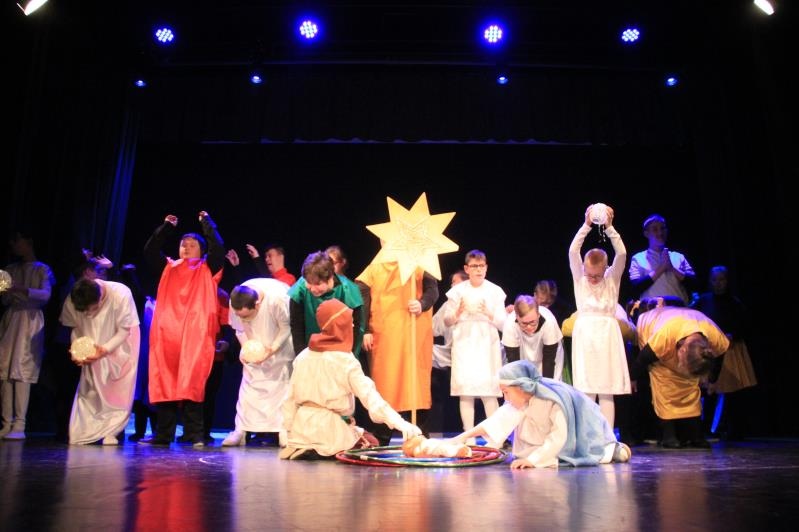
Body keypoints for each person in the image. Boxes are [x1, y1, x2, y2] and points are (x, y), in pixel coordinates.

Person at [280, 298, 422, 459]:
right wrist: (401, 424)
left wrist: (290, 433)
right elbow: (370, 398)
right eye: (349, 322)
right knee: (371, 442)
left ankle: (308, 448)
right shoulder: (345, 360)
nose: (353, 325)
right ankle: (321, 450)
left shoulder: (303, 356)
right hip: (330, 430)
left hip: (301, 429)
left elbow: (289, 399)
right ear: (339, 325)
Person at [140, 211, 225, 447]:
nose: (186, 248)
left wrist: (207, 223)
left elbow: (218, 248)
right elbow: (149, 251)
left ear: (201, 250)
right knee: (165, 380)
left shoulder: (207, 268)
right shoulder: (169, 267)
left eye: (191, 244)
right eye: (183, 244)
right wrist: (166, 227)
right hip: (167, 334)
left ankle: (194, 435)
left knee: (192, 381)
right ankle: (163, 435)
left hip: (195, 335)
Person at [449, 360, 631, 469]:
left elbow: (558, 437)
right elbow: (494, 423)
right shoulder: (519, 401)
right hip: (545, 445)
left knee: (592, 451)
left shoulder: (553, 400)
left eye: (506, 392)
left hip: (577, 435)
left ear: (522, 388)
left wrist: (533, 461)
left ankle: (612, 449)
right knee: (526, 453)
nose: (505, 397)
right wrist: (460, 438)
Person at [356, 258, 438, 445]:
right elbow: (362, 296)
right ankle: (382, 434)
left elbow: (432, 290)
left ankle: (419, 433)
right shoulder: (375, 267)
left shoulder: (419, 262)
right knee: (387, 383)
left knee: (415, 384)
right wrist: (365, 329)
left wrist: (422, 303)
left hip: (414, 334)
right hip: (386, 335)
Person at [631, 304, 730, 448]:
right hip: (652, 323)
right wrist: (633, 378)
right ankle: (668, 435)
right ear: (682, 351)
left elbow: (720, 354)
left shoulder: (714, 336)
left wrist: (713, 380)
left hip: (683, 323)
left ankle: (694, 435)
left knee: (691, 386)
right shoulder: (664, 337)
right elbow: (642, 359)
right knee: (665, 382)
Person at [568, 204, 630, 429]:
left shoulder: (612, 278)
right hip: (586, 333)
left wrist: (609, 227)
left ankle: (607, 435)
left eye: (597, 275)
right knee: (586, 386)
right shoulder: (580, 278)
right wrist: (586, 225)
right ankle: (587, 433)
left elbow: (622, 253)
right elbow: (573, 251)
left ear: (605, 269)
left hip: (607, 334)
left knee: (606, 388)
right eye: (589, 274)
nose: (593, 279)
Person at [60, 278, 140, 445]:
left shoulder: (120, 294)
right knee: (90, 388)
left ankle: (111, 431)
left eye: (92, 309)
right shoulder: (75, 297)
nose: (89, 314)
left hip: (120, 346)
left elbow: (124, 331)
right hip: (92, 342)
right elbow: (75, 328)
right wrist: (78, 350)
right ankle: (85, 430)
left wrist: (103, 350)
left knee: (117, 391)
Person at [443, 250, 507, 443]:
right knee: (466, 390)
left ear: (486, 268)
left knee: (489, 390)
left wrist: (489, 313)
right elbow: (446, 321)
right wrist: (457, 313)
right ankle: (467, 436)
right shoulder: (457, 292)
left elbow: (504, 324)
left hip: (486, 343)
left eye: (481, 266)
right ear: (467, 269)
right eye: (474, 266)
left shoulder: (495, 291)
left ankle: (495, 437)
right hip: (464, 343)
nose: (478, 270)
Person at [222, 279, 293, 447]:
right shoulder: (235, 302)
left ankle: (283, 430)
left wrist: (271, 350)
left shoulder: (277, 299)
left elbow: (286, 328)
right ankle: (240, 430)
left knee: (282, 385)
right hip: (253, 342)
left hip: (279, 345)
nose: (243, 319)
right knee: (249, 384)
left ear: (257, 304)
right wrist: (247, 349)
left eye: (246, 316)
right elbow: (239, 329)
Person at [0, 231, 55, 440]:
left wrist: (20, 289)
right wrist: (8, 292)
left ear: (28, 242)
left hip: (30, 320)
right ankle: (6, 422)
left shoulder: (42, 269)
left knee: (22, 369)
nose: (15, 245)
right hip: (11, 319)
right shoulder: (10, 269)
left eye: (18, 241)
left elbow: (45, 295)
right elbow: (5, 299)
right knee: (5, 370)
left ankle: (20, 424)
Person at [691, 265, 756, 440]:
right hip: (708, 350)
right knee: (707, 392)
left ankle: (734, 430)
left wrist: (733, 334)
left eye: (722, 280)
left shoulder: (735, 303)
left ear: (727, 281)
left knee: (733, 393)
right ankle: (705, 429)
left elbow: (746, 325)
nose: (718, 283)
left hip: (731, 351)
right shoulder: (703, 301)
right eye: (715, 280)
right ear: (710, 281)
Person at [287, 251, 364, 357]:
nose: (312, 289)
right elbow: (296, 326)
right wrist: (302, 357)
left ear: (330, 277)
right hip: (310, 353)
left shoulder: (348, 291)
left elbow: (357, 329)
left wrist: (348, 357)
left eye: (318, 284)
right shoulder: (300, 289)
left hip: (340, 354)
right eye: (309, 283)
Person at [429, 271, 468, 434]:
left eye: (455, 282)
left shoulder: (474, 302)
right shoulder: (448, 305)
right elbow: (433, 327)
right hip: (451, 354)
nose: (452, 285)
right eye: (451, 282)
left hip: (470, 355)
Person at [629, 214, 695, 305]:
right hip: (653, 311)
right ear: (646, 234)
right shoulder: (638, 258)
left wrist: (672, 268)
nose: (660, 233)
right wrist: (661, 268)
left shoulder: (678, 257)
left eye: (662, 228)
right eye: (655, 229)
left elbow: (693, 283)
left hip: (679, 310)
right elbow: (636, 287)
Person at [502, 294, 565, 380]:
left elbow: (549, 361)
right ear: (517, 317)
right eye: (524, 323)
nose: (529, 327)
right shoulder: (510, 325)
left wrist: (546, 385)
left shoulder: (549, 323)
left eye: (532, 322)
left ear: (538, 315)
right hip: (522, 354)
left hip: (548, 358)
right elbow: (514, 363)